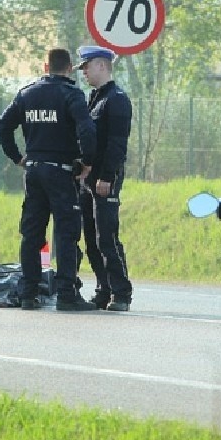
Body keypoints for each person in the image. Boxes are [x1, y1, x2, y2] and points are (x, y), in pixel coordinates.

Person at [0, 48, 98, 311]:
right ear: (70, 67)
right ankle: (66, 294)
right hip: (61, 171)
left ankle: (28, 294)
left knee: (32, 233)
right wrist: (87, 161)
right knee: (66, 231)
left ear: (45, 66)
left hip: (33, 172)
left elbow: (2, 127)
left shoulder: (27, 93)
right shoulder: (72, 94)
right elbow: (86, 129)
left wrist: (18, 157)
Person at [75, 45, 133, 311]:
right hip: (89, 177)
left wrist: (107, 176)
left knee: (106, 237)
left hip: (105, 178)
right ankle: (103, 289)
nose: (84, 72)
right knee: (91, 237)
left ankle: (121, 293)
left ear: (101, 65)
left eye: (86, 66)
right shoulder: (94, 98)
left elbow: (117, 144)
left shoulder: (117, 99)